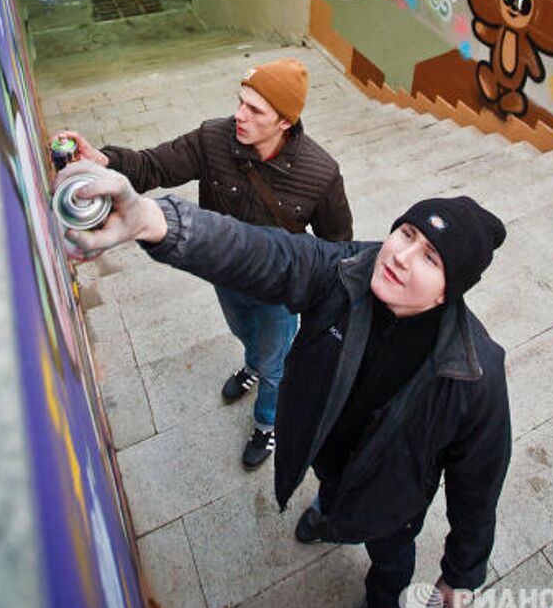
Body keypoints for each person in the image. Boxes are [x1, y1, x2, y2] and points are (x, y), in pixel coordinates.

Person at [55, 162, 511, 608]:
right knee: (330, 487)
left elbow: (478, 487)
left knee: (391, 560)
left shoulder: (473, 373)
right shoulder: (344, 274)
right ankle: (323, 510)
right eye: (406, 233)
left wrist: (461, 574)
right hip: (324, 451)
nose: (400, 256)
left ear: (448, 293)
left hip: (390, 503)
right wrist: (150, 220)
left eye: (430, 259)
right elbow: (266, 252)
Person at [52, 57, 353, 469]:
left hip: (279, 291)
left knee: (278, 362)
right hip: (226, 277)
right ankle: (252, 364)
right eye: (240, 102)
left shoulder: (320, 173)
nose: (239, 115)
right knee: (244, 332)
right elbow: (152, 165)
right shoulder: (214, 138)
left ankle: (268, 423)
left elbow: (338, 246)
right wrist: (105, 161)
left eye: (254, 110)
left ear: (284, 122)